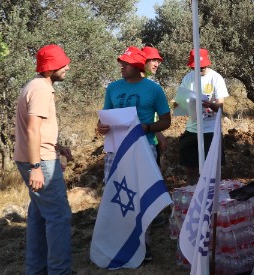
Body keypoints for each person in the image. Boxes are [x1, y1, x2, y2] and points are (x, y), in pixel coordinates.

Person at [15, 44, 90, 275]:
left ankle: (35, 271)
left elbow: (36, 130)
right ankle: (59, 274)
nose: (67, 67)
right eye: (62, 64)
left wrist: (56, 147)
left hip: (39, 156)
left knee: (38, 216)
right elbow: (32, 128)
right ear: (50, 68)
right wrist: (37, 166)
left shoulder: (36, 86)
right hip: (40, 162)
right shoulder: (41, 90)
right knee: (58, 216)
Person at [97, 46, 172, 179]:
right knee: (114, 192)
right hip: (115, 149)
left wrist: (147, 127)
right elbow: (105, 117)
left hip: (144, 147)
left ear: (138, 66)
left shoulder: (154, 89)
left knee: (144, 193)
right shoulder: (112, 88)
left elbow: (166, 121)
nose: (122, 67)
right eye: (122, 63)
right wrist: (101, 126)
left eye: (127, 64)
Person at [176, 48, 228, 186]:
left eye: (203, 67)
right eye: (196, 67)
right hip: (192, 129)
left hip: (210, 130)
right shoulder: (188, 78)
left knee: (212, 170)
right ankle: (193, 194)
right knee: (190, 168)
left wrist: (209, 104)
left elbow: (220, 107)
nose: (200, 69)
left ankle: (211, 196)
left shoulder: (216, 78)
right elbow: (180, 103)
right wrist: (181, 105)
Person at [141, 46, 169, 163]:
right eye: (153, 60)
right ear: (143, 61)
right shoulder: (138, 86)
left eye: (158, 61)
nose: (157, 65)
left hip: (152, 140)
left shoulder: (151, 86)